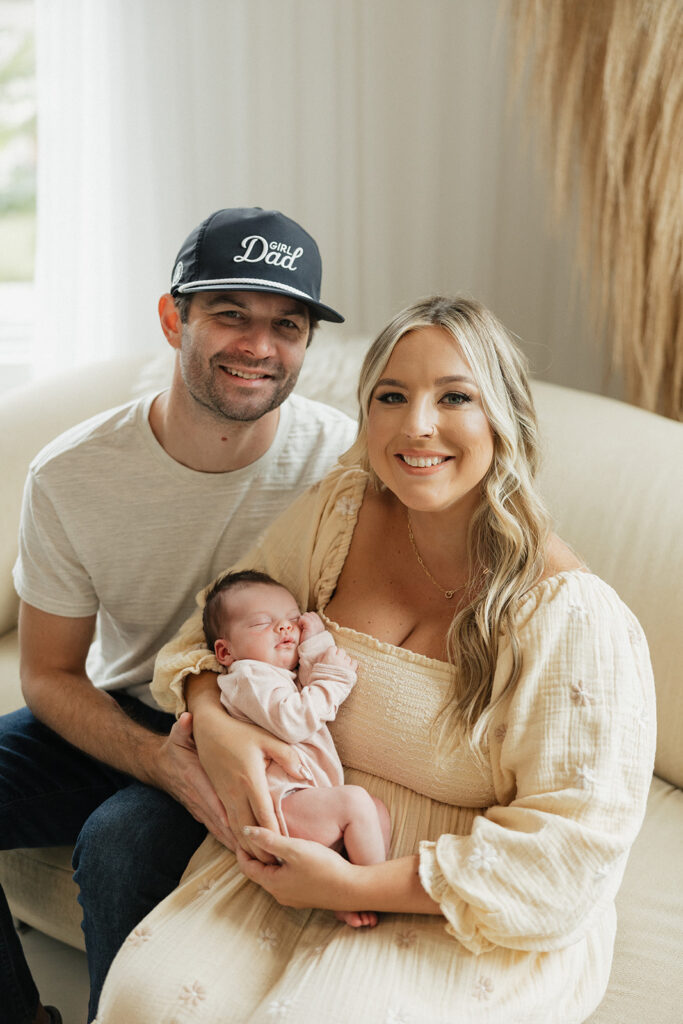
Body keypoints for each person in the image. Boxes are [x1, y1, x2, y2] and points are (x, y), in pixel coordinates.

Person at [95, 294, 656, 1024]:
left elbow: (564, 862)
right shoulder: (341, 511)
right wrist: (217, 719)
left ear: (504, 417)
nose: (416, 425)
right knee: (147, 999)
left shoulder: (571, 617)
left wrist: (348, 888)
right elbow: (210, 633)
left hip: (463, 899)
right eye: (391, 396)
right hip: (305, 833)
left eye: (454, 396)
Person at [0, 207, 357, 1024]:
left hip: (266, 727)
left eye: (286, 325)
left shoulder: (339, 466)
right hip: (120, 711)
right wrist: (161, 759)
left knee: (118, 843)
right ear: (174, 319)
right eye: (230, 314)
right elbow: (49, 671)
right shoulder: (71, 476)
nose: (259, 346)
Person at [204, 569, 390, 927]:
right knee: (355, 803)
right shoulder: (247, 678)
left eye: (292, 621)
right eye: (262, 623)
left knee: (374, 809)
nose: (285, 628)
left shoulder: (277, 677)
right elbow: (294, 718)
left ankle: (341, 885)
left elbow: (309, 681)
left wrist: (317, 641)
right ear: (226, 651)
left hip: (306, 799)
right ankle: (367, 889)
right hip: (280, 806)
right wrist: (334, 680)